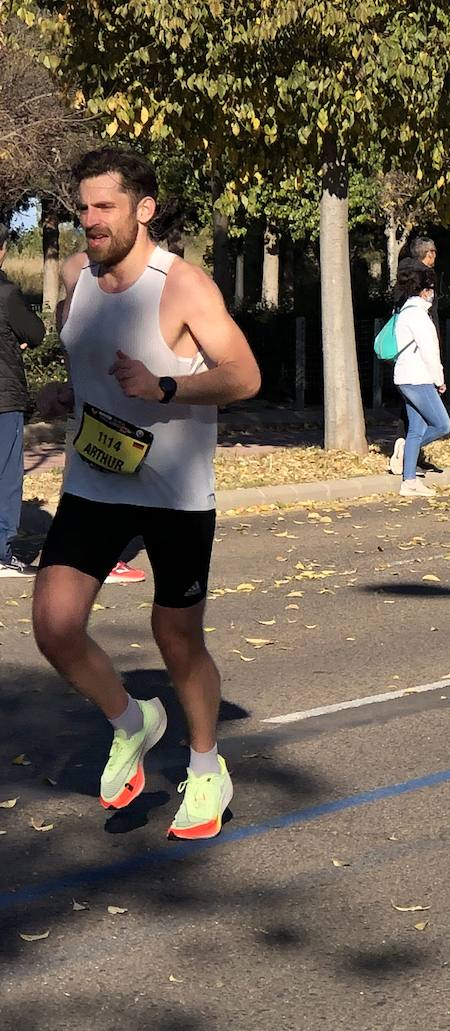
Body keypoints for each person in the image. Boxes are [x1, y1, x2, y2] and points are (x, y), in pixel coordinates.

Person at [32, 147, 261, 839]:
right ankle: (132, 720)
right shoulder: (78, 277)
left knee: (176, 637)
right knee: (55, 624)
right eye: (83, 207)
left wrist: (165, 386)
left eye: (105, 207)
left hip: (173, 491)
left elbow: (244, 375)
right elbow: (94, 371)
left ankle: (205, 767)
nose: (90, 220)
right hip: (96, 481)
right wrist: (66, 394)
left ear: (144, 209)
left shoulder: (181, 286)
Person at [0, 225, 47, 576]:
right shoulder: (6, 294)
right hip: (3, 399)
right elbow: (36, 332)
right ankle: (3, 551)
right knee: (6, 476)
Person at [388, 263, 450, 496]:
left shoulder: (404, 312)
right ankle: (405, 451)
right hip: (419, 378)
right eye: (431, 290)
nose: (433, 295)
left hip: (404, 377)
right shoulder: (420, 317)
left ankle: (409, 482)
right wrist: (439, 379)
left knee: (416, 428)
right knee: (442, 425)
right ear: (425, 291)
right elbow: (430, 351)